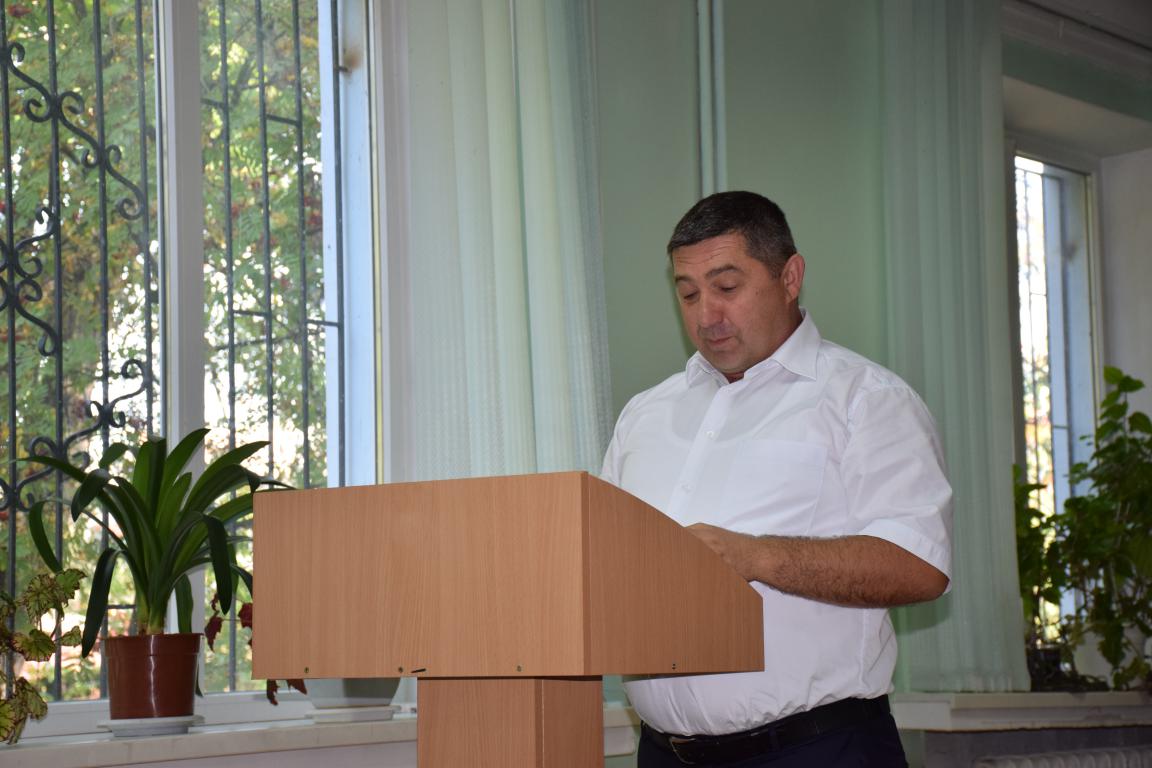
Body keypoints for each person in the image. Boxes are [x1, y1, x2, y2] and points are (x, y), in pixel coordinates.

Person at [600, 191, 952, 767]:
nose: (706, 315)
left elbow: (919, 566)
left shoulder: (866, 399)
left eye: (726, 287)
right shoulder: (645, 415)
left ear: (790, 278)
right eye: (688, 294)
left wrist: (753, 556)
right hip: (662, 753)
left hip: (816, 750)